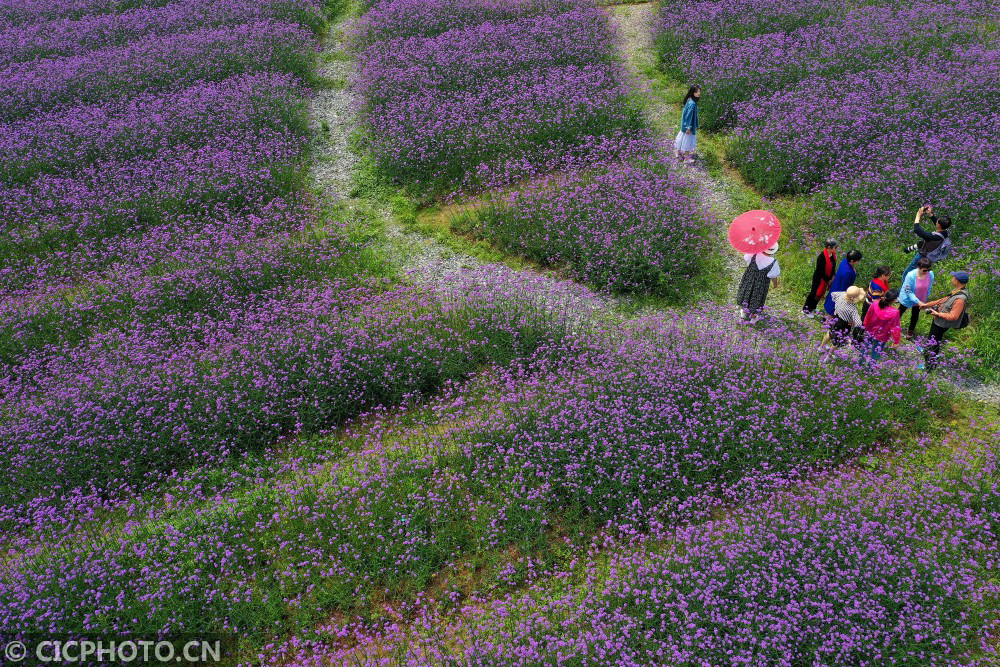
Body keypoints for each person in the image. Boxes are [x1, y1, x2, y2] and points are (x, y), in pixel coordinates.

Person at [921, 271, 969, 371]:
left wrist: (937, 314)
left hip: (942, 324)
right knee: (932, 342)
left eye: (953, 277)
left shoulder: (960, 299)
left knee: (933, 344)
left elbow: (953, 316)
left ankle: (929, 367)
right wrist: (927, 304)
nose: (952, 279)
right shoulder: (957, 291)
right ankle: (929, 359)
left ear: (957, 281)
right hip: (938, 322)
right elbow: (942, 300)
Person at [902, 205, 951, 278]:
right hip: (929, 258)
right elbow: (938, 224)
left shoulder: (932, 237)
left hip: (921, 257)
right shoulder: (945, 232)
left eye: (937, 221)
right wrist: (930, 215)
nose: (936, 220)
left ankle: (903, 289)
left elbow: (917, 230)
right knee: (919, 275)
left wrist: (918, 215)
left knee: (907, 274)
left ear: (939, 225)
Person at [737, 241, 779, 322]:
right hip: (761, 285)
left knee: (746, 294)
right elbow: (773, 275)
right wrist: (775, 284)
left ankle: (744, 312)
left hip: (749, 280)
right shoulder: (773, 262)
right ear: (773, 251)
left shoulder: (754, 254)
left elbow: (746, 258)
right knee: (757, 299)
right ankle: (753, 317)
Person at [898, 257, 934, 340]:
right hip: (908, 297)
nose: (927, 272)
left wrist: (925, 298)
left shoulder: (930, 274)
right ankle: (892, 326)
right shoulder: (911, 276)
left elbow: (929, 287)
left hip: (921, 298)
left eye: (928, 270)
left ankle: (910, 333)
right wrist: (917, 301)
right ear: (919, 268)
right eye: (924, 270)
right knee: (900, 311)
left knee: (915, 314)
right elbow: (908, 291)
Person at [820, 285, 865, 351]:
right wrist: (853, 322)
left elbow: (833, 295)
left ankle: (821, 347)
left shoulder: (840, 295)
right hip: (844, 325)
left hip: (836, 318)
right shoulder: (852, 308)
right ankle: (828, 356)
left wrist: (837, 308)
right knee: (838, 342)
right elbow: (858, 323)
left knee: (830, 333)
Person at [862, 288, 901, 363]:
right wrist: (896, 340)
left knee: (865, 348)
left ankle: (860, 364)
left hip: (870, 330)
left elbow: (867, 317)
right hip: (882, 336)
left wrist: (865, 325)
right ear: (894, 300)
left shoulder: (874, 304)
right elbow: (895, 327)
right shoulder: (894, 312)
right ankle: (870, 369)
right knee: (876, 353)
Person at [803, 239, 838, 318]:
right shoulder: (822, 257)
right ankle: (806, 310)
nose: (836, 249)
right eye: (835, 247)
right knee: (814, 293)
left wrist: (833, 276)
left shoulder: (833, 255)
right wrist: (828, 279)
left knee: (820, 294)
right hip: (819, 278)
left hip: (826, 279)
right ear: (829, 247)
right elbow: (820, 271)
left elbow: (833, 267)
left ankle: (813, 307)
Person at [824, 249, 863, 317]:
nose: (858, 262)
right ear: (852, 261)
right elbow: (845, 286)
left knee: (830, 302)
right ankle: (827, 322)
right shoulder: (849, 272)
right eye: (858, 260)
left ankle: (827, 316)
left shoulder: (844, 262)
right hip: (840, 289)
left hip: (836, 284)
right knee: (833, 306)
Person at [674, 85, 700, 164]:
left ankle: (678, 153)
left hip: (684, 124)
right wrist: (689, 127)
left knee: (681, 138)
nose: (699, 93)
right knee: (688, 141)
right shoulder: (692, 104)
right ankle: (686, 159)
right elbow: (689, 116)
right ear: (692, 92)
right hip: (689, 125)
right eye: (697, 91)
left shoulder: (689, 100)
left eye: (699, 91)